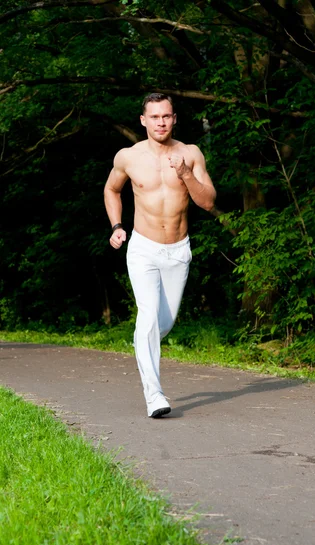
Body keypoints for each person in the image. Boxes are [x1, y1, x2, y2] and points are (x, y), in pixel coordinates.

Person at [104, 92, 217, 418]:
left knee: (161, 325)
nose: (161, 122)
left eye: (166, 116)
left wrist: (184, 174)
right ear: (143, 120)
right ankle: (154, 396)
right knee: (149, 317)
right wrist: (116, 226)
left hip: (178, 251)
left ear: (174, 118)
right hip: (143, 248)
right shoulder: (128, 156)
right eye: (154, 117)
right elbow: (111, 189)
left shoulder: (190, 154)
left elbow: (208, 202)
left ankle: (144, 340)